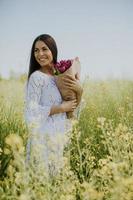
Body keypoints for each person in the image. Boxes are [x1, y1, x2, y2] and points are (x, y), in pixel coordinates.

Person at [24, 34, 82, 175]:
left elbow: (73, 109)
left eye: (45, 49)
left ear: (53, 51)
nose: (40, 54)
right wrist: (60, 108)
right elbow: (30, 112)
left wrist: (79, 91)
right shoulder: (36, 77)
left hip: (59, 137)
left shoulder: (61, 74)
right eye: (36, 50)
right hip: (42, 140)